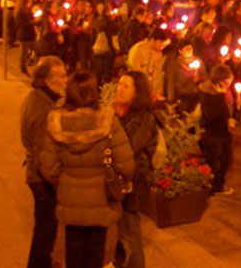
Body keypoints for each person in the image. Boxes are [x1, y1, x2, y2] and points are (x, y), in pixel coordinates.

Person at [39, 71, 135, 268]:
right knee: (96, 255)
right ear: (93, 92)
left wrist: (64, 180)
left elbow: (48, 167)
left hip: (70, 201)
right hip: (101, 201)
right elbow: (127, 164)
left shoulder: (56, 123)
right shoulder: (108, 121)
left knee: (72, 252)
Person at [20, 56, 67, 268]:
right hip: (41, 180)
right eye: (62, 76)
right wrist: (58, 182)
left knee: (44, 229)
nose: (66, 80)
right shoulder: (42, 110)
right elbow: (43, 158)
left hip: (37, 175)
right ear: (48, 81)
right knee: (45, 232)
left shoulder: (39, 98)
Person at [112, 71, 159, 268]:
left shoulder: (144, 119)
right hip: (118, 182)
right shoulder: (117, 112)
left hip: (134, 183)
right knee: (119, 232)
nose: (119, 89)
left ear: (137, 92)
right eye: (119, 84)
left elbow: (129, 150)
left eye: (125, 86)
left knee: (130, 234)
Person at [199, 64, 237, 194]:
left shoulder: (224, 92)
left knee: (226, 159)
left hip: (223, 131)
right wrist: (221, 98)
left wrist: (237, 107)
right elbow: (211, 116)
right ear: (219, 80)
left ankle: (217, 185)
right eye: (228, 81)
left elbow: (228, 111)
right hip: (211, 133)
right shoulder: (208, 94)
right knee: (214, 162)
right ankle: (213, 188)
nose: (230, 84)